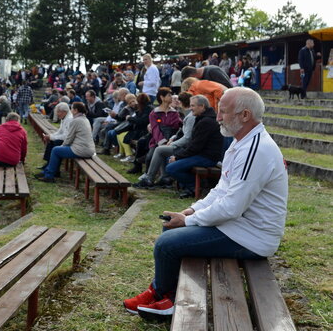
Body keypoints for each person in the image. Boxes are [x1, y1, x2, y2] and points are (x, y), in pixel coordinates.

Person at [123, 87, 288, 321]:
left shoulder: (255, 149)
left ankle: (165, 299)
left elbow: (231, 207)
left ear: (245, 115)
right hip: (240, 226)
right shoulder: (241, 141)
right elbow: (221, 189)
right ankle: (163, 292)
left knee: (166, 244)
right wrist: (191, 210)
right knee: (171, 227)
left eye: (224, 112)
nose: (218, 117)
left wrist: (189, 220)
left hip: (253, 237)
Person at [164, 95, 224, 198]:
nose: (190, 108)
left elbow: (196, 146)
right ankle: (187, 187)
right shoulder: (203, 118)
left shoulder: (206, 122)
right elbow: (194, 145)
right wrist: (178, 156)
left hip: (207, 157)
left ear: (202, 106)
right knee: (169, 158)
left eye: (193, 106)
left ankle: (195, 187)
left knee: (171, 168)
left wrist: (178, 156)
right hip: (201, 154)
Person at [135, 92, 193, 189]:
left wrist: (171, 140)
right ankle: (160, 177)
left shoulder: (176, 113)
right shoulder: (154, 112)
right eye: (169, 95)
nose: (174, 100)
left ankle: (153, 178)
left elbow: (180, 129)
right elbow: (155, 129)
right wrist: (163, 141)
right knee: (152, 153)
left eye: (177, 99)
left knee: (160, 151)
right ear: (162, 97)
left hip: (176, 141)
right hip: (159, 139)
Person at [35, 102, 95, 183]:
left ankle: (49, 176)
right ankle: (48, 172)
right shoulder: (84, 119)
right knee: (57, 148)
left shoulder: (76, 121)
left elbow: (69, 138)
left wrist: (62, 146)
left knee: (56, 150)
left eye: (72, 109)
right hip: (88, 149)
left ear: (76, 110)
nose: (71, 111)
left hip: (81, 150)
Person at [40, 102, 73, 170]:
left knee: (56, 143)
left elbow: (66, 136)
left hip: (71, 143)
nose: (57, 114)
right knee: (51, 142)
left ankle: (54, 169)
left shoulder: (69, 119)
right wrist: (50, 136)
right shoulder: (64, 118)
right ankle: (48, 163)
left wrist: (51, 137)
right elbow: (60, 131)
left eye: (58, 112)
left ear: (64, 111)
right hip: (66, 140)